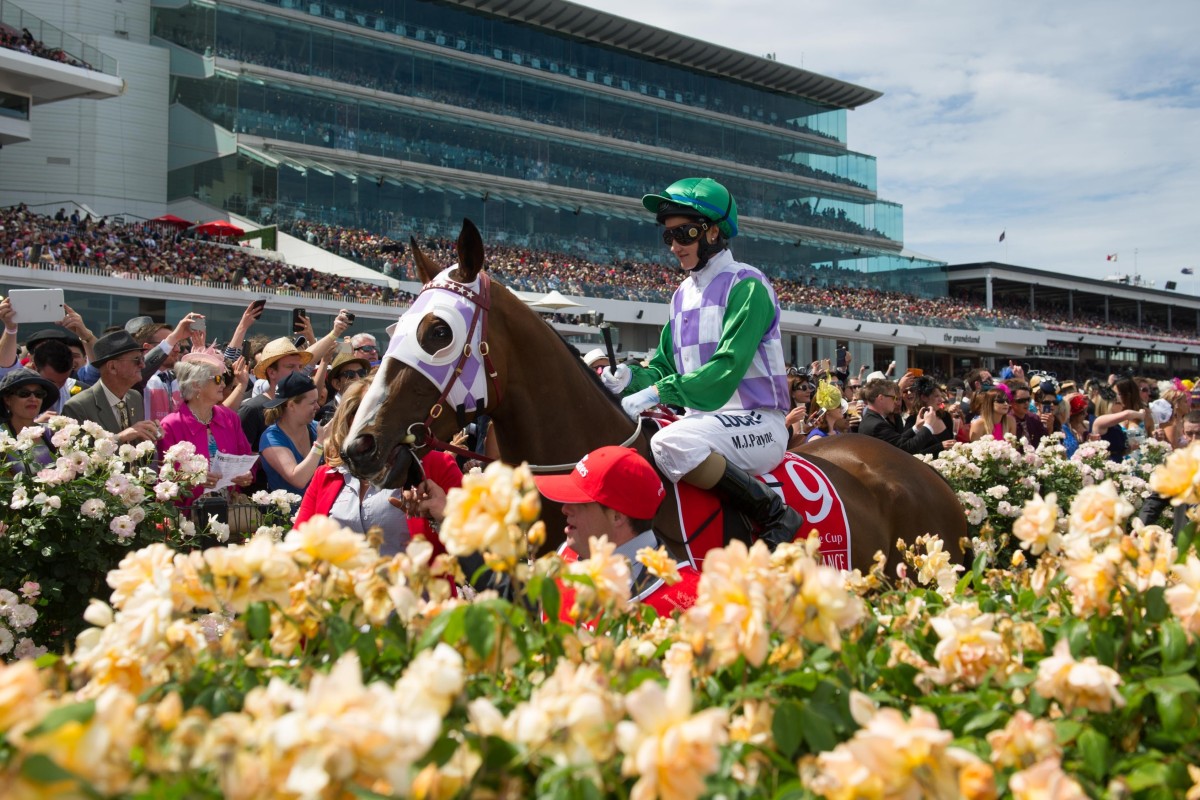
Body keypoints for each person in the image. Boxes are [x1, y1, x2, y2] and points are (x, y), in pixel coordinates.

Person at [601, 177, 800, 544]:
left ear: (713, 232)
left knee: (668, 444)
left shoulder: (748, 286)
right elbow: (663, 366)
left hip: (757, 423)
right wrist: (629, 377)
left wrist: (658, 392)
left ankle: (774, 514)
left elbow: (725, 371)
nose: (675, 246)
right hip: (705, 424)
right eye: (668, 237)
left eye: (685, 234)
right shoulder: (680, 296)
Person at [295, 379, 463, 555]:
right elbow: (300, 545)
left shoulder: (437, 466)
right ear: (350, 420)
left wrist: (443, 518)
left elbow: (472, 548)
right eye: (372, 412)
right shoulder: (327, 475)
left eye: (394, 411)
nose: (384, 421)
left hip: (414, 581)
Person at [533, 446, 699, 616]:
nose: (565, 509)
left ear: (617, 518)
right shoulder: (563, 558)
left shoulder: (692, 604)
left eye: (579, 502)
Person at [158, 352, 255, 507]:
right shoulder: (171, 425)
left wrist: (247, 475)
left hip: (230, 512)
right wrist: (194, 479)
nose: (223, 384)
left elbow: (246, 459)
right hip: (188, 517)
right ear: (197, 384)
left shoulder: (230, 418)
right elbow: (164, 480)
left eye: (223, 378)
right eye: (217, 379)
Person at [62, 331, 160, 443]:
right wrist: (120, 438)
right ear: (112, 367)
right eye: (136, 360)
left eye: (142, 359)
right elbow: (76, 454)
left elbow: (137, 450)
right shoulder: (78, 406)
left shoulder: (135, 398)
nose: (142, 365)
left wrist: (150, 435)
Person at [259, 372, 326, 495]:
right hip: (289, 513)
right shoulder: (272, 437)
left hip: (320, 511)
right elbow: (298, 479)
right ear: (291, 405)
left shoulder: (317, 428)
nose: (317, 407)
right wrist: (320, 444)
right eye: (312, 403)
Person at [858, 378, 946, 455]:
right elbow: (908, 448)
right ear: (881, 398)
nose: (896, 402)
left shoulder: (874, 418)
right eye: (894, 398)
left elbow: (898, 441)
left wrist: (916, 427)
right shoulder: (876, 424)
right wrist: (928, 425)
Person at [0, 369, 59, 469]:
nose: (33, 398)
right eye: (24, 393)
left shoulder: (52, 434)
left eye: (39, 394)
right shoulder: (1, 437)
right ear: (7, 399)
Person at [318, 351, 371, 425]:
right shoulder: (327, 411)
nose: (358, 378)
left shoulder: (370, 406)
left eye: (361, 372)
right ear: (337, 384)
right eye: (350, 374)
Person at [1005, 380, 1048, 446]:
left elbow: (1045, 442)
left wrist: (1049, 426)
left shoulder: (1035, 419)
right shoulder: (1006, 422)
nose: (1026, 403)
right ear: (1010, 402)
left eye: (1028, 399)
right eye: (1021, 400)